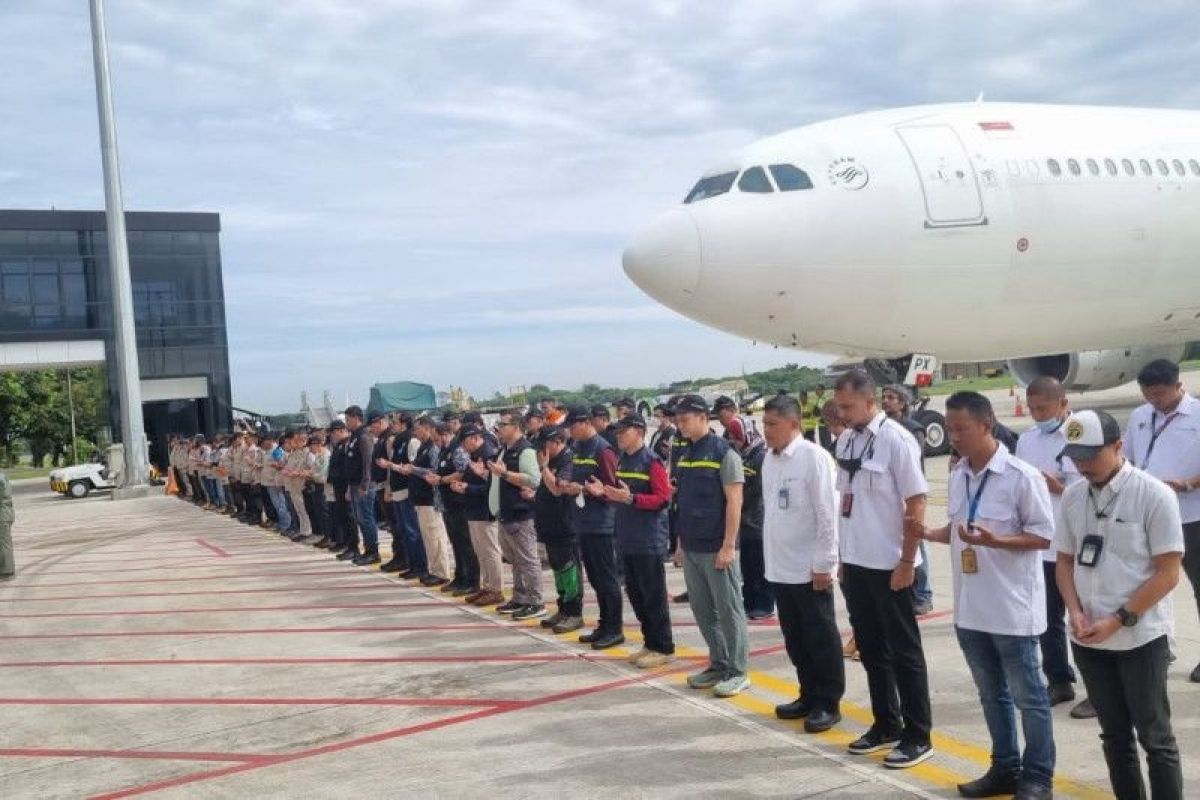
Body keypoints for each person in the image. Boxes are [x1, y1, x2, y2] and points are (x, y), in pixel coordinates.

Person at [915, 392, 1056, 800]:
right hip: (971, 611)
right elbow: (961, 532)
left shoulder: (1020, 476)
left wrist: (999, 541)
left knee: (1030, 699)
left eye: (961, 428)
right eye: (950, 428)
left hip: (1013, 611)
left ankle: (1037, 777)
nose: (953, 437)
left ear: (986, 424)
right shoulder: (959, 475)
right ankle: (1005, 768)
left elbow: (1044, 536)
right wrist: (926, 534)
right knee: (991, 696)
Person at [1056, 409, 1184, 800]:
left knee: (1155, 739)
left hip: (1139, 639)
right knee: (1114, 737)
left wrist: (1119, 619)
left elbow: (1168, 572)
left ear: (1118, 446)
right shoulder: (1074, 495)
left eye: (1091, 456)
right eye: (1075, 457)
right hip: (1090, 640)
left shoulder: (1153, 494)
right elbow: (1064, 560)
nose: (1082, 466)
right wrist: (1074, 611)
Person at [833, 370, 933, 769]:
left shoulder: (896, 440)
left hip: (890, 563)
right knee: (872, 650)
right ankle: (885, 723)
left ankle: (918, 734)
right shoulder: (848, 439)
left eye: (848, 406)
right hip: (857, 562)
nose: (841, 413)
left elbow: (917, 502)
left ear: (870, 402)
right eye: (839, 406)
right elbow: (847, 501)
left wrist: (908, 561)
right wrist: (842, 558)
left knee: (904, 652)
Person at [761, 394, 844, 734]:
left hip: (810, 568)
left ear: (794, 424)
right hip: (780, 566)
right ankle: (808, 693)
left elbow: (827, 514)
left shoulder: (814, 459)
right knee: (795, 638)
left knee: (820, 637)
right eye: (764, 424)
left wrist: (825, 562)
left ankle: (828, 701)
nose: (766, 432)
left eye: (772, 425)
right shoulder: (770, 459)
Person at [1015, 376, 1094, 719]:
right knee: (1048, 619)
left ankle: (1099, 688)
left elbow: (1094, 484)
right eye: (1031, 409)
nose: (1036, 415)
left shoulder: (1080, 434)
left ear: (1063, 404)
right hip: (1043, 544)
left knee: (1086, 616)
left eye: (1043, 408)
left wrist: (1059, 486)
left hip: (1077, 541)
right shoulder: (1027, 440)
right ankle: (1059, 680)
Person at [1123, 358, 1200, 684]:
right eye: (1148, 394)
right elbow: (1126, 456)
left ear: (1176, 385)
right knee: (1148, 586)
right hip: (1148, 517)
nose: (1154, 400)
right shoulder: (1141, 416)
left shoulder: (1196, 415)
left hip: (1192, 515)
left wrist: (1186, 485)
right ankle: (1158, 647)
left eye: (1159, 393)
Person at [673, 393, 751, 698]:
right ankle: (718, 664)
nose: (680, 425)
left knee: (729, 610)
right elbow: (682, 501)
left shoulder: (724, 453)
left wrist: (729, 546)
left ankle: (738, 669)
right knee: (703, 610)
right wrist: (680, 543)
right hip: (692, 546)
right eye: (678, 420)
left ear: (704, 418)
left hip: (717, 547)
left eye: (685, 419)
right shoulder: (686, 454)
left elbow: (735, 501)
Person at [598, 413, 675, 668]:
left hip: (648, 540)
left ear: (639, 432)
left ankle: (662, 646)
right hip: (627, 538)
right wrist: (606, 494)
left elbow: (663, 499)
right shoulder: (623, 461)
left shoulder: (651, 462)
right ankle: (649, 642)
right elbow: (622, 497)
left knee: (652, 596)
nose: (619, 435)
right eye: (618, 431)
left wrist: (632, 500)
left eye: (624, 431)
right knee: (636, 595)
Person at [563, 405, 624, 648]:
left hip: (601, 523)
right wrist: (572, 486)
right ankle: (604, 624)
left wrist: (586, 490)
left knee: (607, 578)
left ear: (585, 423)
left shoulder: (603, 449)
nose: (569, 431)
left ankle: (614, 627)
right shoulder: (578, 448)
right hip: (583, 521)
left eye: (572, 426)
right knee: (596, 578)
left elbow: (612, 489)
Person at [488, 409, 545, 620]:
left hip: (520, 513)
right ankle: (520, 597)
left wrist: (505, 473)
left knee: (528, 559)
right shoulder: (505, 449)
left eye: (503, 425)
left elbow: (533, 479)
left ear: (516, 427)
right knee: (516, 560)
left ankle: (536, 600)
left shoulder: (525, 451)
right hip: (506, 512)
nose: (499, 429)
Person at [882, 384, 933, 617]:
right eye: (884, 397)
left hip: (911, 495)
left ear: (902, 402)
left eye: (891, 397)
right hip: (892, 496)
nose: (886, 401)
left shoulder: (913, 430)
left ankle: (923, 594)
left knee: (916, 543)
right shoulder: (883, 429)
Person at [532, 425, 585, 633]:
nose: (540, 451)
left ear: (556, 442)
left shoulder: (567, 459)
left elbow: (557, 489)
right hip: (549, 524)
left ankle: (574, 612)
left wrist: (543, 468)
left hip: (565, 525)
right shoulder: (551, 460)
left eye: (543, 446)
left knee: (569, 569)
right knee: (557, 569)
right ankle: (563, 608)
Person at [453, 424, 503, 606]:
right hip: (473, 509)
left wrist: (468, 488)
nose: (463, 447)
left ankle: (496, 589)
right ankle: (487, 586)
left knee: (490, 551)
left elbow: (490, 487)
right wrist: (463, 486)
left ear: (474, 438)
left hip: (484, 509)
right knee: (481, 552)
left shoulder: (488, 454)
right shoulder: (474, 455)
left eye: (465, 442)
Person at [403, 416, 453, 586]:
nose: (415, 433)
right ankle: (433, 570)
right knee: (428, 537)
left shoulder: (433, 448)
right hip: (421, 499)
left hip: (430, 498)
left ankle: (442, 571)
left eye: (417, 429)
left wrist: (414, 469)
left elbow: (434, 471)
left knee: (436, 536)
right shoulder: (423, 447)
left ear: (426, 428)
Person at [433, 421, 479, 596]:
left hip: (459, 502)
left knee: (466, 543)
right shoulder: (446, 451)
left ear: (446, 434)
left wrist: (442, 480)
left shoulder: (457, 450)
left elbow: (463, 472)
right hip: (448, 503)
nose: (440, 441)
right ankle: (460, 576)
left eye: (440, 438)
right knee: (456, 542)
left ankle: (472, 580)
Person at [736, 423, 773, 620]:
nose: (734, 440)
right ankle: (749, 600)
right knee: (747, 565)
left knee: (760, 565)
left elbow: (758, 489)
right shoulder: (744, 455)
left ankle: (764, 603)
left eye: (737, 436)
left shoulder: (761, 456)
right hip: (745, 519)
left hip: (758, 519)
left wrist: (737, 502)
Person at [344, 407, 379, 565]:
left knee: (366, 518)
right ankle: (367, 549)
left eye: (348, 419)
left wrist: (365, 484)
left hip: (363, 484)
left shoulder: (363, 436)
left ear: (356, 418)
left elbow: (367, 463)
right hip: (354, 483)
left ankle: (373, 551)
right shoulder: (354, 437)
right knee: (360, 518)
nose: (346, 423)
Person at [0, 466, 13, 581]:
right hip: (6, 513)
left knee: (4, 544)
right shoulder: (2, 476)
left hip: (2, 515)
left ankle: (7, 572)